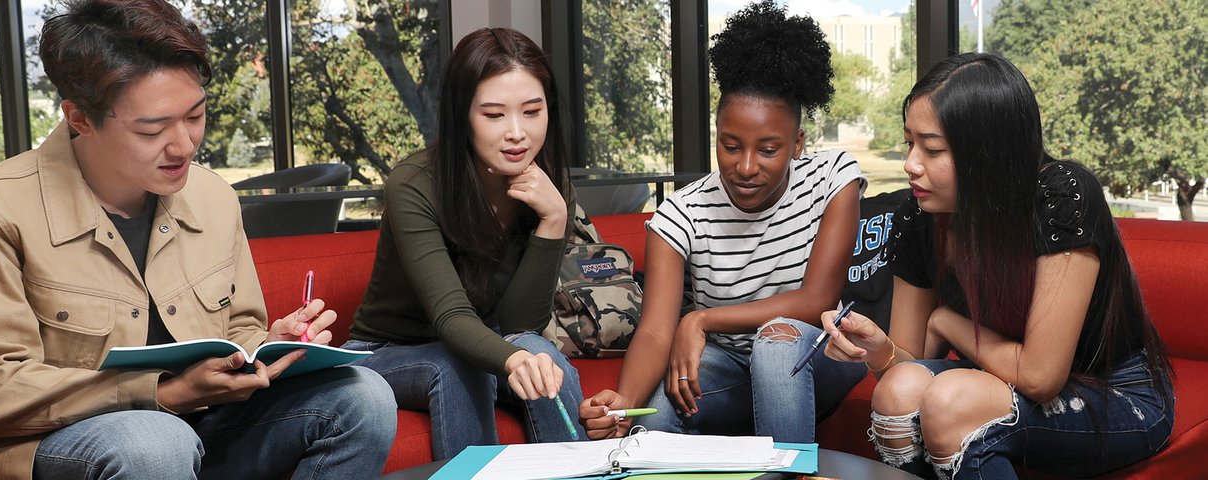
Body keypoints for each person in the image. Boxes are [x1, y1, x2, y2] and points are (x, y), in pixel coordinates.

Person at [0, 1, 396, 478]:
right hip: (47, 447)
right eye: (152, 128)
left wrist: (268, 348)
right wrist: (163, 394)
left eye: (195, 116)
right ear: (79, 118)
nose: (184, 145)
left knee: (363, 395)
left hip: (198, 430)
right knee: (153, 441)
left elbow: (237, 333)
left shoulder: (212, 196)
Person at [822, 52, 1175, 479]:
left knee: (951, 400)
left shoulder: (1061, 198)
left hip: (1114, 389)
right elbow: (907, 364)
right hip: (997, 376)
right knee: (898, 391)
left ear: (988, 154)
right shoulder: (919, 215)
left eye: (932, 149)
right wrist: (878, 350)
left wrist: (947, 322)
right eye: (909, 143)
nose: (911, 164)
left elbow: (1040, 375)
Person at [578, 0, 867, 443]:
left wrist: (700, 320)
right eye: (731, 146)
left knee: (776, 342)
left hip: (818, 357)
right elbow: (656, 330)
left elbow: (816, 299)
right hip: (732, 367)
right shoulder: (681, 214)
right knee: (652, 416)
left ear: (797, 144)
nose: (746, 166)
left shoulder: (833, 179)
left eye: (768, 149)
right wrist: (622, 405)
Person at [342, 27, 583, 460]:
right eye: (493, 115)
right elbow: (452, 317)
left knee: (543, 354)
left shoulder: (551, 187)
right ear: (462, 116)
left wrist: (554, 220)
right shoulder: (414, 183)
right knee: (458, 366)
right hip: (387, 352)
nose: (517, 133)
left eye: (532, 111)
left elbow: (518, 325)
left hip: (483, 340)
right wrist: (510, 360)